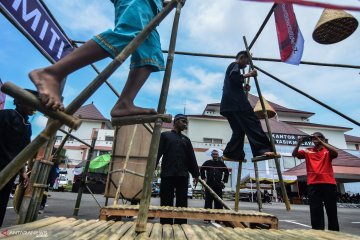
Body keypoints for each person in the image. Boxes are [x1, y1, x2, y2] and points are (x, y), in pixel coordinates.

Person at [28, 0, 171, 117]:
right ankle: (52, 73)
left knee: (151, 52)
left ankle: (124, 103)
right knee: (129, 32)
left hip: (153, 5)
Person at [220, 51, 277, 161]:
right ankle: (263, 149)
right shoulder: (234, 65)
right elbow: (234, 77)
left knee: (239, 130)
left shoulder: (232, 69)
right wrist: (250, 74)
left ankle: (231, 153)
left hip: (228, 105)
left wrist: (243, 88)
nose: (246, 65)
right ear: (241, 57)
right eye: (247, 61)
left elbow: (234, 82)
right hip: (237, 104)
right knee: (253, 123)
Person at [0, 89, 37, 227]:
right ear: (18, 101)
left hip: (10, 171)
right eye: (30, 103)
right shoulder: (5, 115)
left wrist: (23, 172)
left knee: (2, 203)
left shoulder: (28, 125)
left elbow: (23, 152)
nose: (33, 107)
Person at [156, 114, 200, 224]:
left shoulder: (186, 140)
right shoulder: (165, 136)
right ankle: (165, 223)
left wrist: (196, 174)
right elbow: (157, 153)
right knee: (166, 201)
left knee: (182, 201)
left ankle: (180, 224)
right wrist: (151, 168)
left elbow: (191, 158)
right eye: (183, 121)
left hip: (182, 175)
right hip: (167, 174)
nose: (185, 124)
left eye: (186, 122)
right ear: (175, 122)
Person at [292, 132, 339, 231]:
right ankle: (318, 231)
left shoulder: (327, 151)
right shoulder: (308, 151)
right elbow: (294, 154)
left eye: (317, 137)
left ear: (322, 138)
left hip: (328, 183)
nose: (314, 139)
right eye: (313, 137)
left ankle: (334, 232)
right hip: (313, 183)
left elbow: (335, 153)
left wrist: (322, 141)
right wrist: (299, 143)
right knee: (315, 210)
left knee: (331, 209)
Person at [200, 149, 229, 223]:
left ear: (218, 155)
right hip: (209, 185)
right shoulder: (207, 162)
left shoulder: (221, 163)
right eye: (214, 154)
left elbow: (227, 172)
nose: (215, 155)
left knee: (218, 203)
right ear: (211, 155)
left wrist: (224, 181)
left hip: (218, 186)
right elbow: (202, 169)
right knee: (208, 202)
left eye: (216, 154)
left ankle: (218, 219)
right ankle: (207, 218)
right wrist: (203, 178)